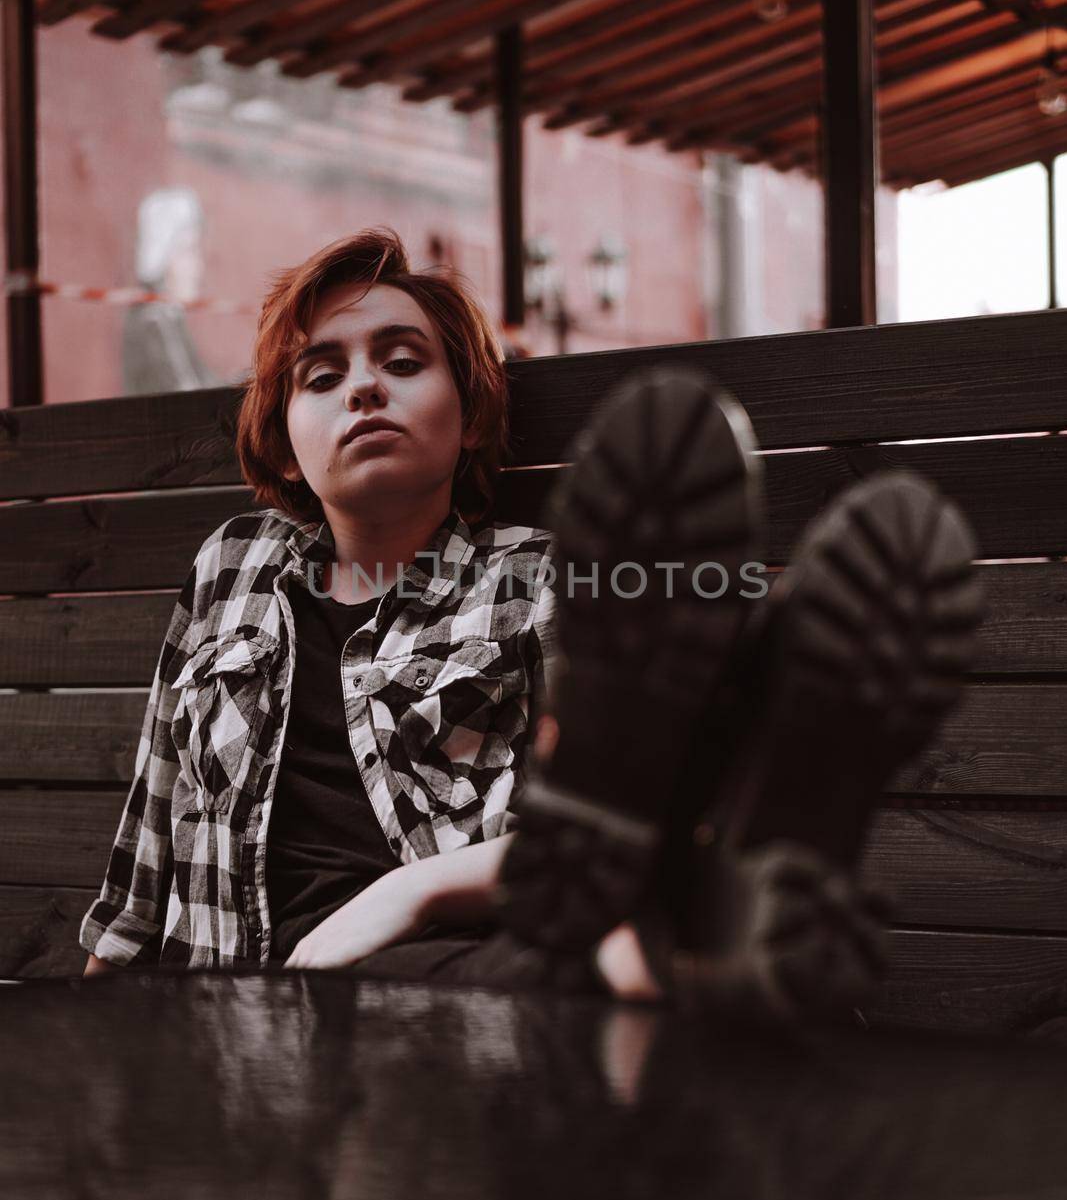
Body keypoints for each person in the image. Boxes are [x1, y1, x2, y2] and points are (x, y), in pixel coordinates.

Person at [81, 228, 984, 1024]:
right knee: (571, 983)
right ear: (281, 438)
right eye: (324, 375)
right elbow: (146, 853)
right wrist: (88, 1032)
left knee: (535, 969)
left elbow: (582, 840)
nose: (364, 388)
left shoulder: (539, 577)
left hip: (451, 960)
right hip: (241, 1009)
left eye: (403, 363)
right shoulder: (228, 570)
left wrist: (412, 890)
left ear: (468, 415)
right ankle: (706, 912)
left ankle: (698, 888)